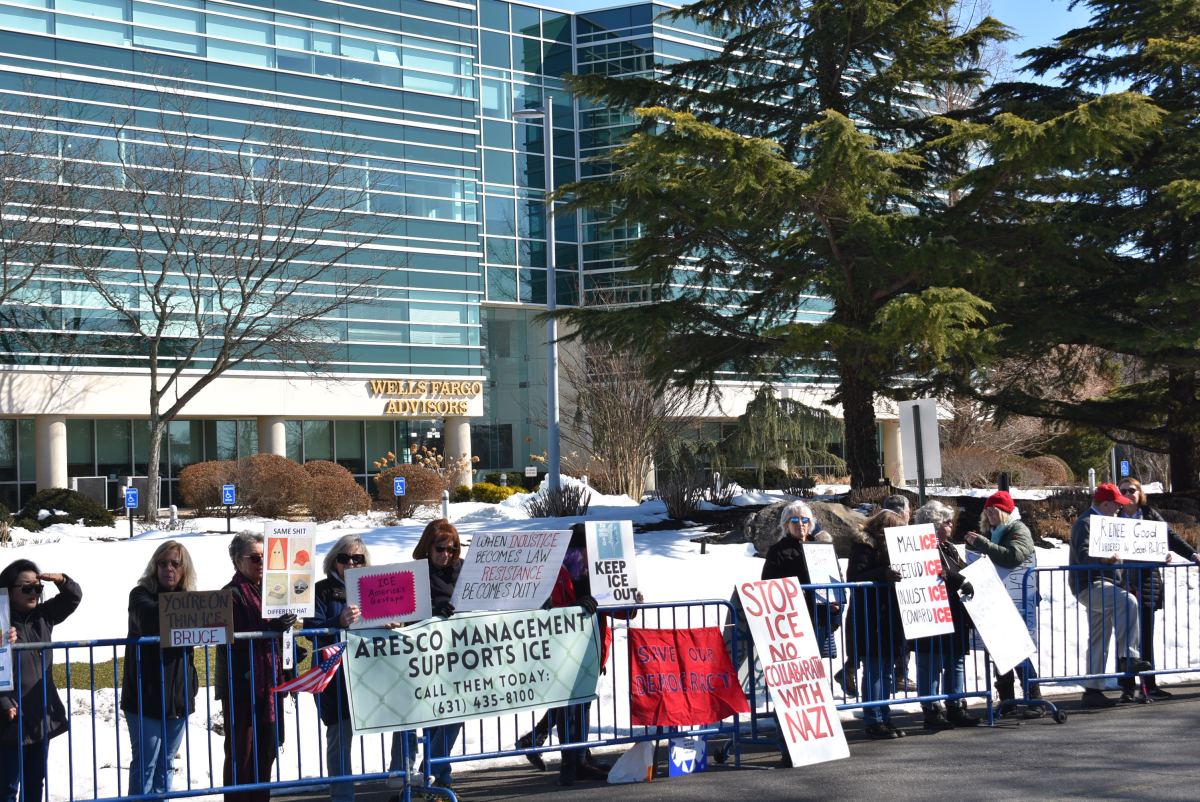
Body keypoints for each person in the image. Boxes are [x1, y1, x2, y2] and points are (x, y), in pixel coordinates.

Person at [387, 520, 466, 797]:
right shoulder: (413, 574)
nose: (446, 554)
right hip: (419, 659)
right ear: (427, 548)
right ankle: (405, 778)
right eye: (440, 548)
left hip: (457, 658)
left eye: (452, 548)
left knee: (455, 714)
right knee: (412, 716)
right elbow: (405, 610)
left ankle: (436, 772)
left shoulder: (464, 569)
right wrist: (433, 612)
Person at [761, 501, 843, 761]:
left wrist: (835, 608)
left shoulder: (821, 549)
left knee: (815, 685)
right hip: (790, 629)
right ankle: (787, 744)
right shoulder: (778, 552)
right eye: (794, 521)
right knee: (791, 686)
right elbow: (768, 588)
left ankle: (817, 741)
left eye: (805, 520)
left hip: (818, 623)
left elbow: (835, 583)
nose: (801, 525)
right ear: (786, 525)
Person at [216, 533, 294, 802]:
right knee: (242, 754)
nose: (261, 562)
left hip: (270, 685)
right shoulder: (231, 593)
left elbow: (281, 631)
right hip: (242, 685)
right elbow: (233, 635)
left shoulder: (274, 590)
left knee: (267, 751)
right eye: (255, 557)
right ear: (238, 561)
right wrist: (269, 628)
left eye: (265, 557)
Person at [122, 541, 200, 799]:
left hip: (177, 700)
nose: (168, 568)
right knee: (145, 765)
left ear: (184, 568)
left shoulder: (190, 599)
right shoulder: (140, 594)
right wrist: (186, 606)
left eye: (175, 564)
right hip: (145, 697)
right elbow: (149, 622)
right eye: (162, 563)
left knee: (165, 765)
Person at [0, 560, 82, 802]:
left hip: (39, 715)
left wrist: (61, 581)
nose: (34, 593)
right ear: (8, 589)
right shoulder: (1, 621)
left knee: (35, 783)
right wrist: (4, 702)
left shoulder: (42, 616)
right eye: (27, 588)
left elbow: (73, 598)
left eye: (37, 588)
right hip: (9, 718)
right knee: (6, 787)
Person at [1068, 483, 1149, 709]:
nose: (1119, 509)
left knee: (1098, 638)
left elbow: (1123, 559)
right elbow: (1083, 557)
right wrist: (1104, 560)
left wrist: (1124, 582)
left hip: (1105, 585)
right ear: (1104, 504)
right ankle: (1128, 657)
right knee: (1128, 602)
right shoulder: (1085, 523)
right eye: (1116, 505)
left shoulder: (1108, 523)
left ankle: (1093, 690)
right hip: (1089, 585)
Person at [1117, 477, 1199, 702]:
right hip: (1123, 583)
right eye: (1123, 490)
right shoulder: (1113, 517)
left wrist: (1192, 554)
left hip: (1146, 583)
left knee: (1145, 636)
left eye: (1132, 490)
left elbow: (1170, 537)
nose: (1128, 493)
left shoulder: (1149, 514)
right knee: (1125, 637)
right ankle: (1126, 685)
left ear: (1139, 492)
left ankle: (1149, 683)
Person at [963, 490, 1040, 711]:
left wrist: (983, 544)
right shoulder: (996, 530)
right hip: (997, 595)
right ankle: (1007, 699)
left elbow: (1013, 557)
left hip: (1016, 598)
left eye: (993, 510)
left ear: (1005, 511)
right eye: (986, 511)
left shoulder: (1018, 529)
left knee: (1016, 649)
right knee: (999, 650)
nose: (989, 515)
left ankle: (1034, 697)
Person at [306, 534, 368, 802]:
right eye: (344, 558)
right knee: (339, 738)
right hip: (334, 677)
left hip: (369, 675)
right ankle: (343, 797)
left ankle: (401, 778)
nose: (351, 563)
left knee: (403, 724)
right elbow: (309, 630)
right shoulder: (320, 590)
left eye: (357, 558)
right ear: (334, 561)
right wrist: (337, 621)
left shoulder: (373, 587)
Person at [911, 501, 979, 729]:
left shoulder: (949, 547)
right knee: (929, 663)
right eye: (947, 521)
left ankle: (955, 705)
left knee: (955, 660)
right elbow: (933, 572)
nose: (951, 525)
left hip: (955, 611)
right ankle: (930, 710)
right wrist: (956, 577)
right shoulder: (919, 547)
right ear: (935, 524)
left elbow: (958, 570)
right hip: (930, 613)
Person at [846, 510, 907, 739]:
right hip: (871, 617)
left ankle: (884, 716)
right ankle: (874, 719)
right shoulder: (864, 547)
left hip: (888, 617)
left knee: (886, 671)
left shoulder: (889, 548)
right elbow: (854, 577)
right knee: (874, 671)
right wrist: (883, 573)